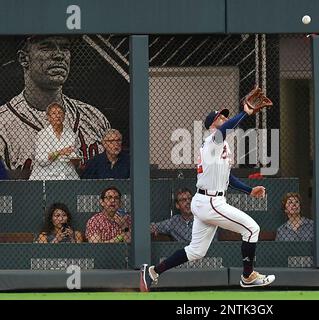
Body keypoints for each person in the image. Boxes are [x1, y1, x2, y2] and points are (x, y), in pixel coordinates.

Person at [140, 99, 275, 292]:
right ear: (212, 124)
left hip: (207, 200)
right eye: (220, 116)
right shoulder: (213, 139)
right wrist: (245, 113)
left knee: (196, 251)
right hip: (211, 201)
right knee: (252, 229)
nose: (224, 118)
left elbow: (228, 176)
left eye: (225, 115)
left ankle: (152, 272)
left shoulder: (222, 146)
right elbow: (226, 129)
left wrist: (249, 190)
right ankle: (248, 276)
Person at [0, 35, 110, 179]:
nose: (59, 55)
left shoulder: (94, 118)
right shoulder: (3, 124)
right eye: (46, 47)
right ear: (24, 59)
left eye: (64, 48)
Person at [29, 102, 80, 180]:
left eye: (60, 113)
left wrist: (75, 160)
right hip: (46, 177)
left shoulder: (71, 135)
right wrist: (60, 153)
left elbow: (76, 160)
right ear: (48, 118)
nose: (57, 115)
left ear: (64, 116)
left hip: (67, 176)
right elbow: (41, 161)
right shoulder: (42, 135)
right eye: (54, 113)